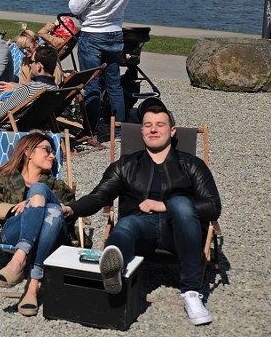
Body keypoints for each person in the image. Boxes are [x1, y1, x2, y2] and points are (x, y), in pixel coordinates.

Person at [63, 98, 220, 326]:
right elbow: (100, 197)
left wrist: (165, 206)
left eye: (160, 124)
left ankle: (191, 293)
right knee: (127, 224)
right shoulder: (126, 165)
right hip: (140, 231)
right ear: (141, 131)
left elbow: (213, 206)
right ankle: (114, 266)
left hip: (179, 231)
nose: (153, 129)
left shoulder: (192, 165)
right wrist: (71, 208)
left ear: (172, 131)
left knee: (181, 204)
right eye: (147, 125)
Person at [0, 132, 76, 316]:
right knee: (43, 201)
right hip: (13, 229)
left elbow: (71, 210)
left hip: (53, 234)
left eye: (53, 152)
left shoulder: (57, 186)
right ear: (28, 151)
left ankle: (21, 263)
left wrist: (40, 201)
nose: (52, 155)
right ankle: (32, 283)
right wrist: (21, 207)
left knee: (43, 195)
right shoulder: (4, 180)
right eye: (47, 149)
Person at [68, 0, 134, 136]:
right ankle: (119, 129)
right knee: (114, 83)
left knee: (91, 85)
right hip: (114, 33)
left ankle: (91, 129)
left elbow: (75, 7)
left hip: (93, 34)